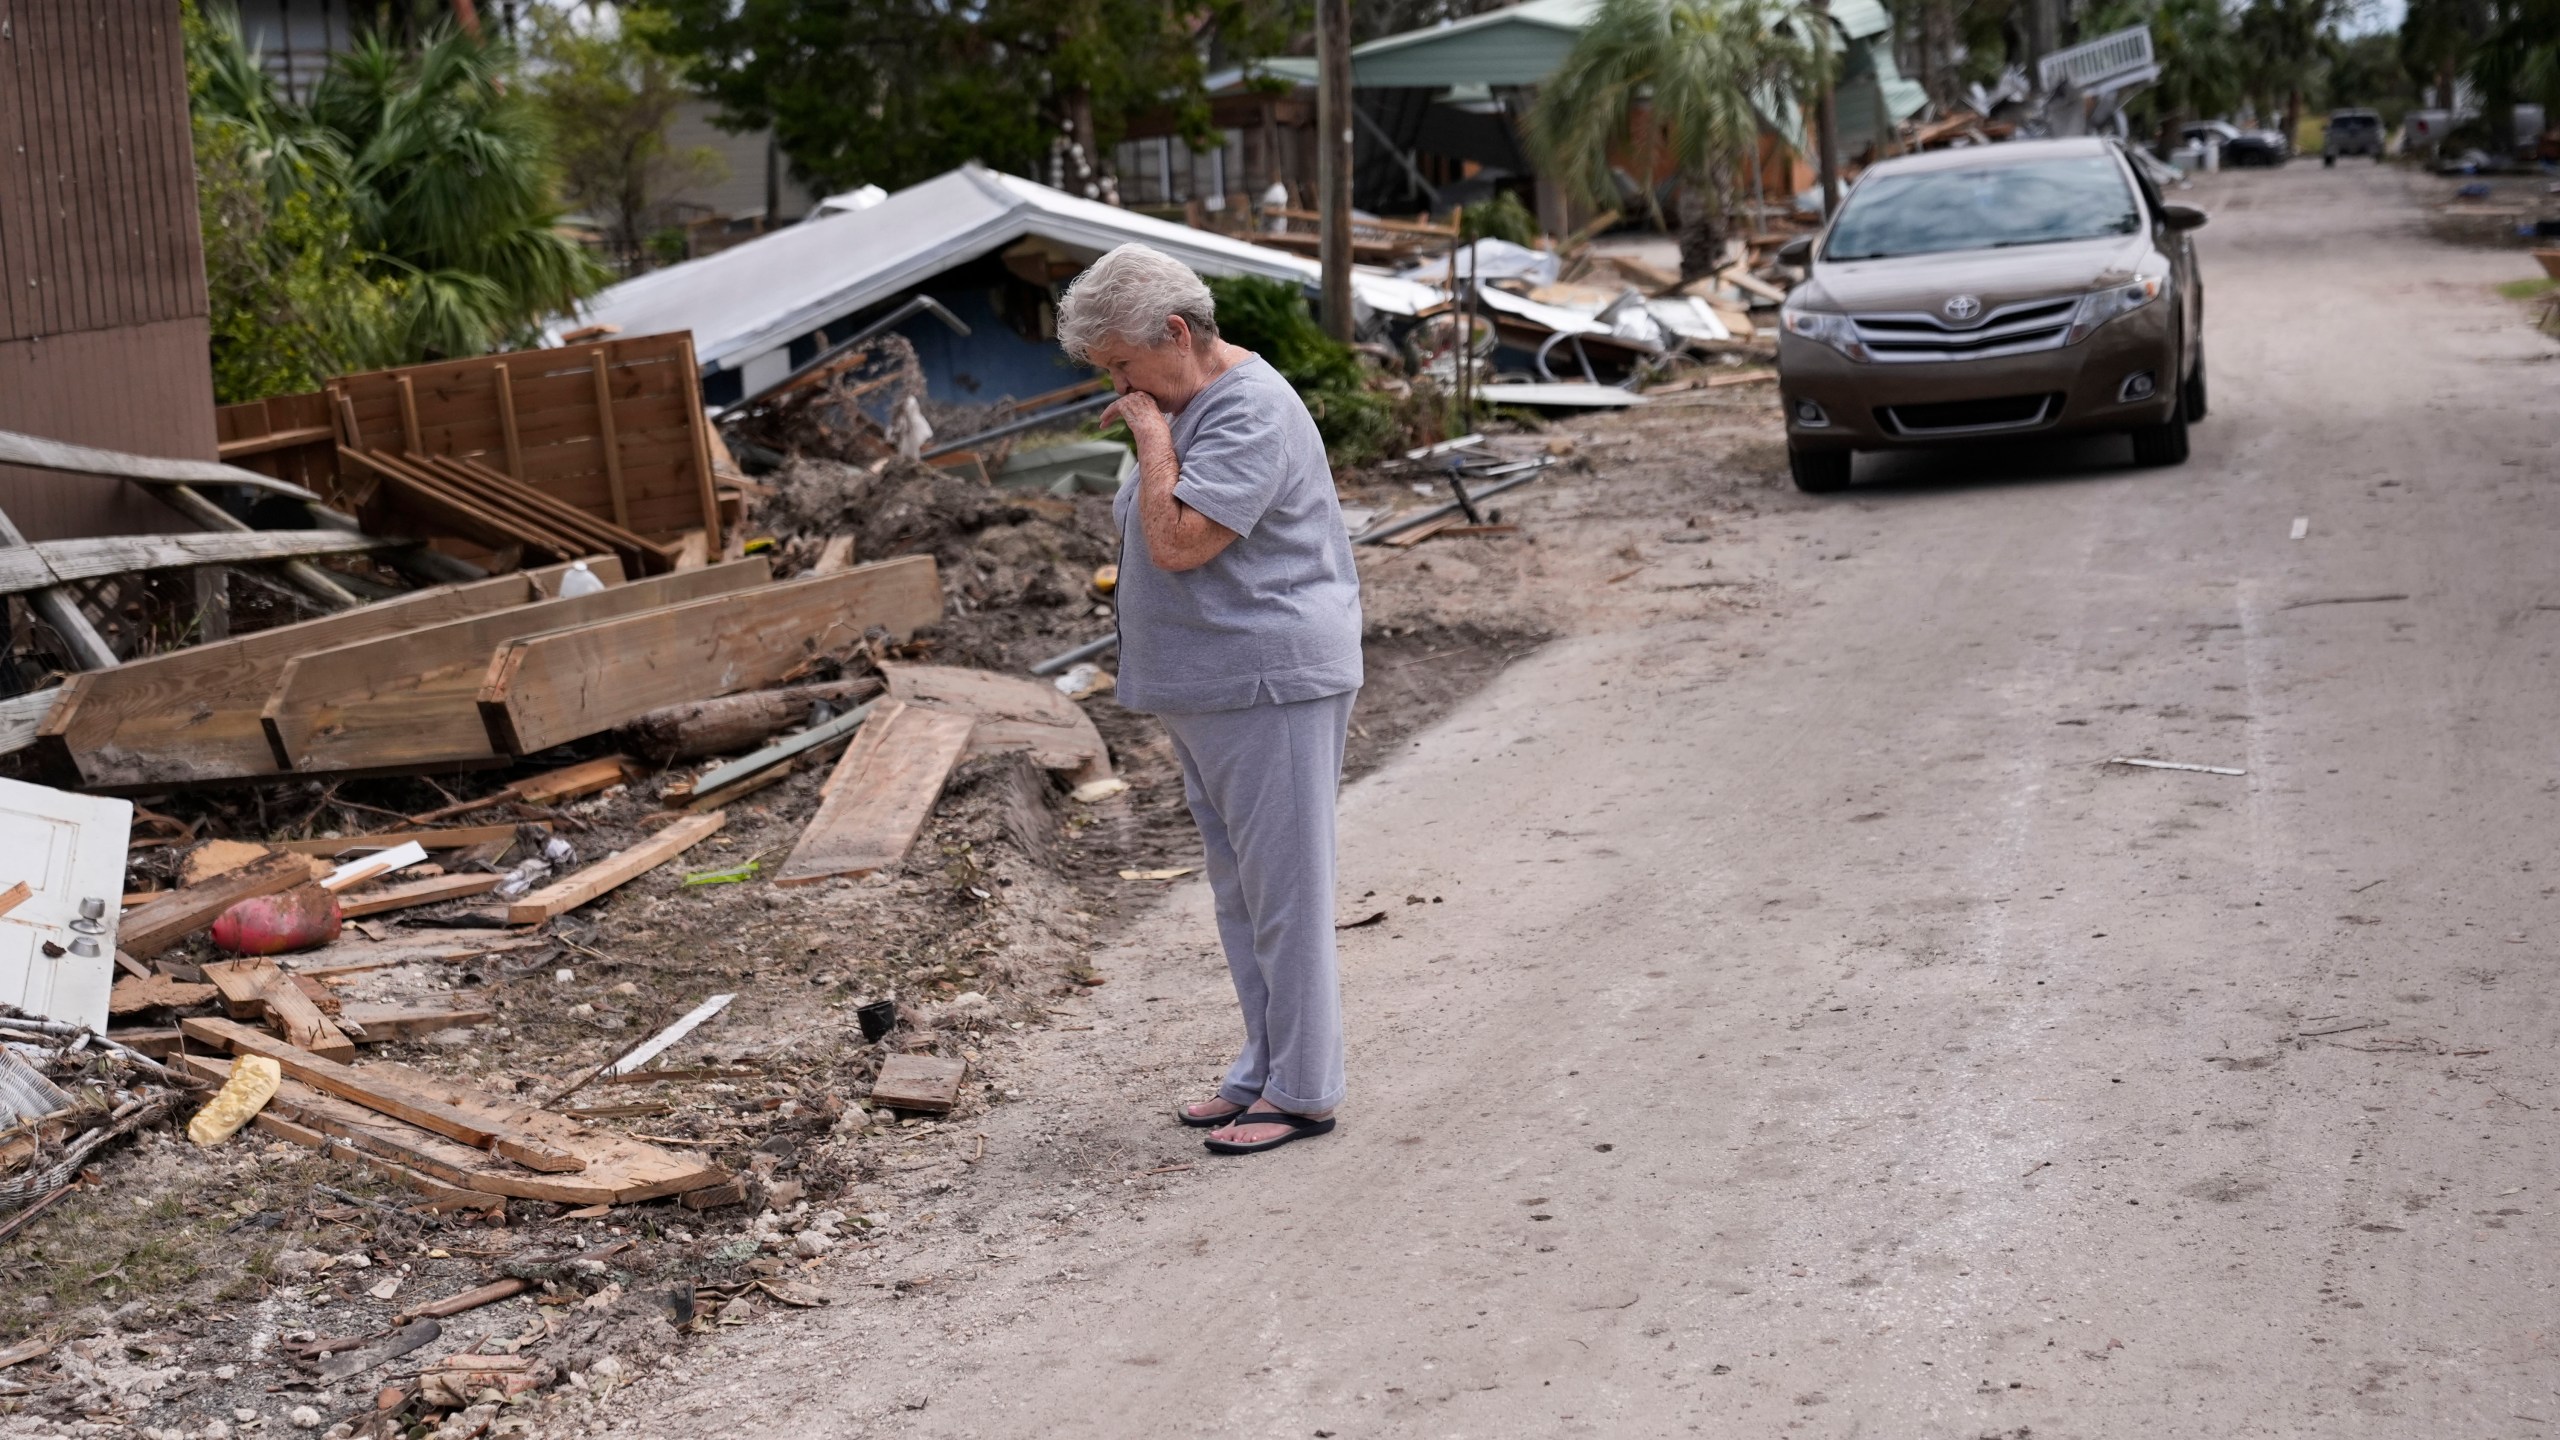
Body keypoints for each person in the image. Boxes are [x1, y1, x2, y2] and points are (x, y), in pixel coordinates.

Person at [1054, 243, 1363, 1157]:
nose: (1116, 385)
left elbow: (1183, 540)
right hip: (1214, 687)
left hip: (1268, 682)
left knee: (1286, 892)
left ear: (1177, 334)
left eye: (1121, 363)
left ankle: (1305, 1089)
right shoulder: (1188, 402)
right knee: (1243, 892)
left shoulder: (1248, 409)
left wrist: (1150, 440)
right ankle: (1263, 1068)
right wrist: (1154, 431)